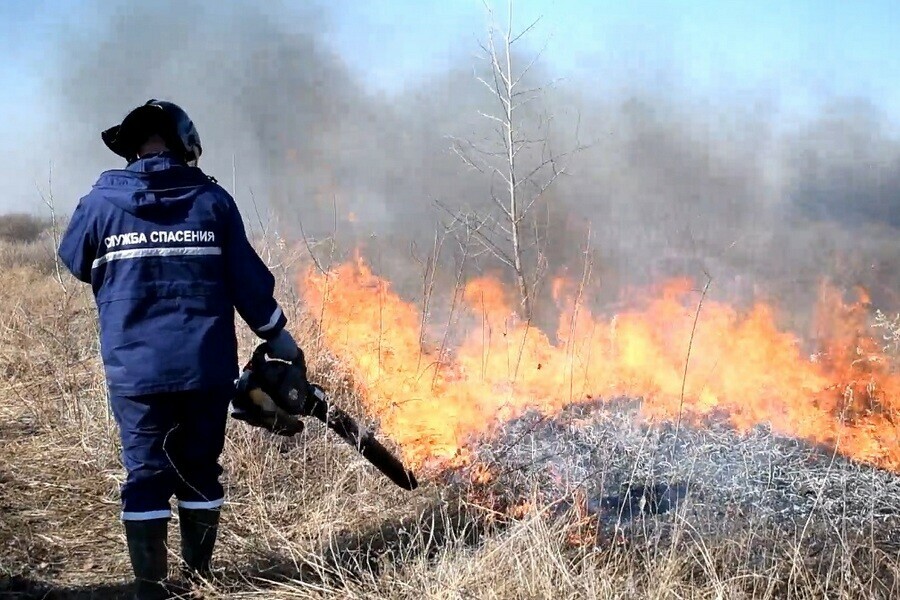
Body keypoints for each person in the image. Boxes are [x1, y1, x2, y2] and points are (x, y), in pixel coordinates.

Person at [57, 99, 302, 599]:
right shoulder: (212, 203)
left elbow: (75, 262)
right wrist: (280, 338)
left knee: (145, 475)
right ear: (183, 142)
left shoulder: (98, 204)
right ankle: (198, 582)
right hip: (206, 368)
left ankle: (150, 589)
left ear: (131, 148)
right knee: (199, 472)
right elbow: (249, 285)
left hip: (135, 373)